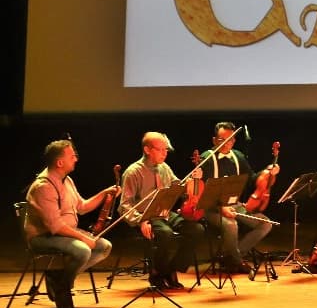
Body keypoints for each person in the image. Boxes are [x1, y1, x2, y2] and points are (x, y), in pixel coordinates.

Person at [23, 139, 117, 308]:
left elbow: (82, 207)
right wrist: (83, 237)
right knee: (82, 249)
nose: (76, 159)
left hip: (63, 234)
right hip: (43, 237)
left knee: (103, 246)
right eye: (72, 156)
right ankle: (62, 288)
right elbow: (55, 227)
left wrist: (105, 193)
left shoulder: (67, 181)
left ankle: (59, 278)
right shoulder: (44, 186)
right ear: (60, 162)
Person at [119, 132, 205, 289]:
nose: (165, 153)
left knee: (196, 229)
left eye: (166, 149)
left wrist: (194, 180)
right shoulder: (133, 172)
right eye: (161, 149)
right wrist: (141, 220)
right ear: (147, 150)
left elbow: (179, 188)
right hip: (146, 215)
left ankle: (170, 269)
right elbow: (124, 205)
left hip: (164, 213)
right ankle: (157, 273)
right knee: (165, 234)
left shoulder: (164, 168)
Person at [195, 122, 278, 274]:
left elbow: (252, 179)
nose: (228, 143)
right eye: (222, 139)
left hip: (234, 204)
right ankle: (236, 261)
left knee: (266, 224)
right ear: (215, 140)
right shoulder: (206, 158)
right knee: (231, 224)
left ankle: (232, 256)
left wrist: (267, 172)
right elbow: (201, 192)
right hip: (211, 208)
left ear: (234, 140)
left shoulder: (238, 156)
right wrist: (221, 207)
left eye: (231, 139)